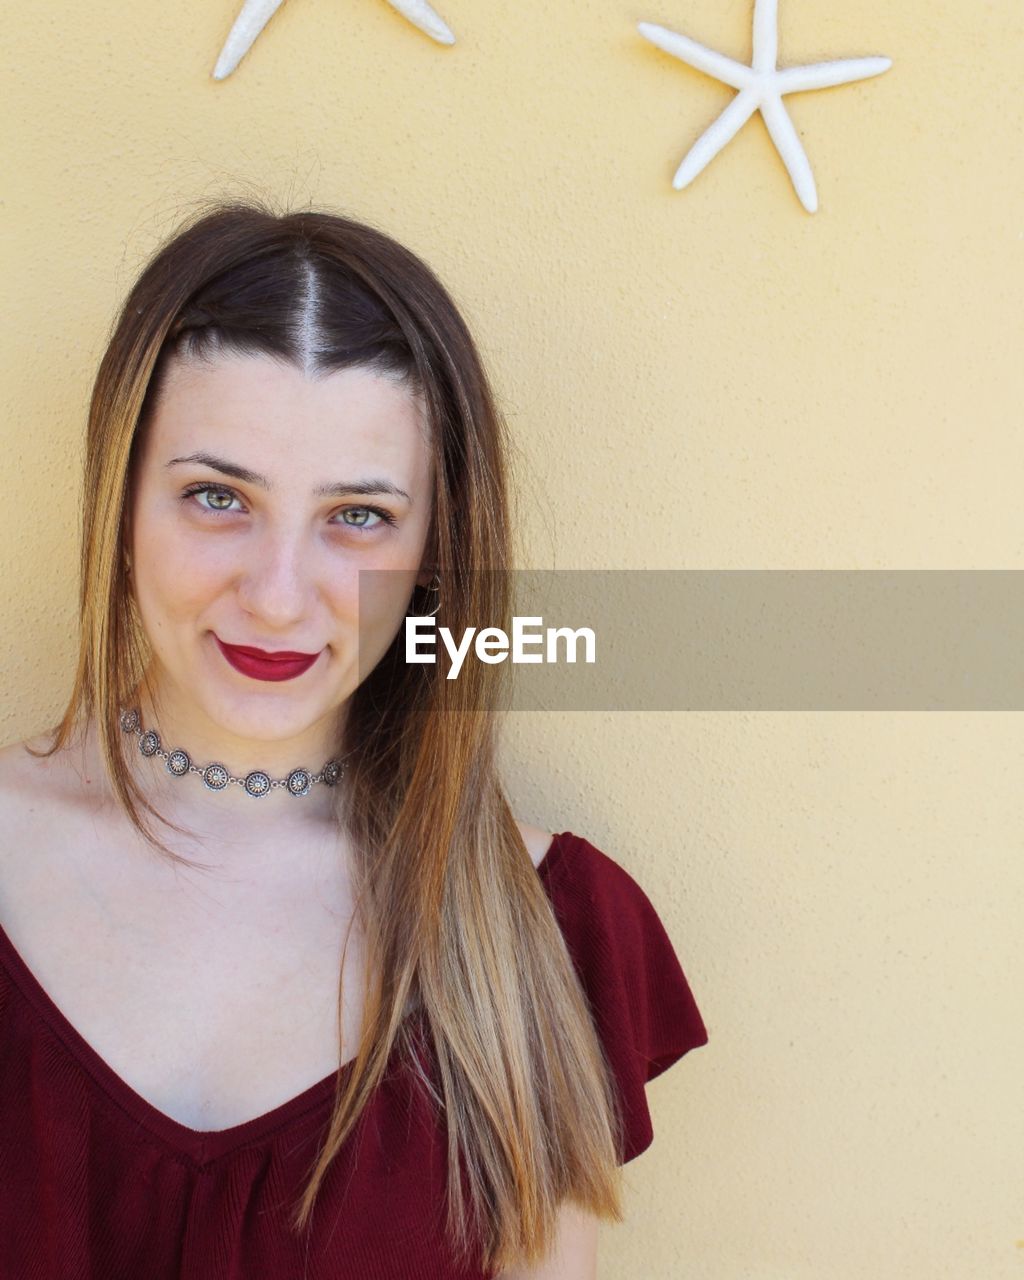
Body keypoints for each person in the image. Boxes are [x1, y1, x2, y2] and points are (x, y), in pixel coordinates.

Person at [0, 200, 709, 1279]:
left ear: (435, 544)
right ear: (122, 500)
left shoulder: (546, 932)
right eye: (215, 496)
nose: (279, 595)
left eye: (359, 515)